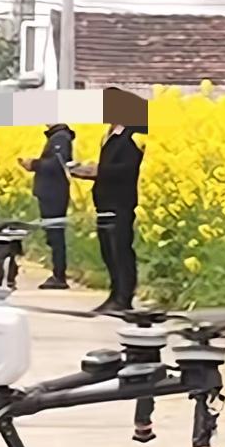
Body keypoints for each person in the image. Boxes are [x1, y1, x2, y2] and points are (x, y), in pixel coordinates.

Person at [74, 124, 145, 313]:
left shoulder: (133, 135)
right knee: (109, 252)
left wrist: (99, 171)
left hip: (120, 202)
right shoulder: (109, 135)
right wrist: (88, 172)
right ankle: (114, 295)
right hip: (105, 202)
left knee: (120, 251)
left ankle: (123, 298)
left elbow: (129, 169)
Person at [21, 123, 73, 289]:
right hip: (50, 193)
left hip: (54, 193)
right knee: (52, 234)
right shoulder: (56, 136)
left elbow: (57, 164)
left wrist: (34, 164)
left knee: (56, 234)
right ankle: (57, 273)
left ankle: (59, 275)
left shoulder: (61, 138)